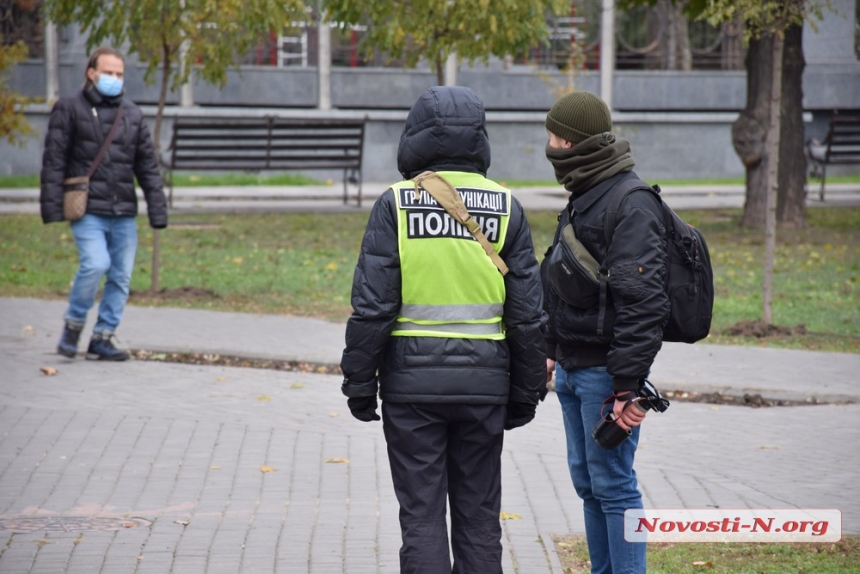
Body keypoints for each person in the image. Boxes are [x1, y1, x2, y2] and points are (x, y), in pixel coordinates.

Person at [340, 86, 546, 574]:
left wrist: (358, 383)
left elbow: (373, 307)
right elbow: (527, 313)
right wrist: (526, 390)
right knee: (479, 518)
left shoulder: (396, 204)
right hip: (483, 387)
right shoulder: (506, 205)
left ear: (416, 135)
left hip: (412, 390)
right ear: (479, 137)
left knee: (422, 518)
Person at [542, 91, 669, 574]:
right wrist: (551, 348)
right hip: (573, 370)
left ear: (576, 141)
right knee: (589, 485)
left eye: (556, 137)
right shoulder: (585, 194)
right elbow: (560, 280)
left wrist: (625, 387)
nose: (550, 146)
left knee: (615, 486)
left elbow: (644, 305)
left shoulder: (628, 201)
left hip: (605, 376)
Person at [40, 46, 168, 361]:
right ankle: (74, 324)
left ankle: (103, 336)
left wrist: (157, 208)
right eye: (108, 72)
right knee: (96, 264)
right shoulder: (69, 109)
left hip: (123, 210)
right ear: (91, 73)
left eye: (119, 74)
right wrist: (52, 206)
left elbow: (147, 166)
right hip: (86, 209)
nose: (114, 79)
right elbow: (54, 160)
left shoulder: (133, 114)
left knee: (121, 275)